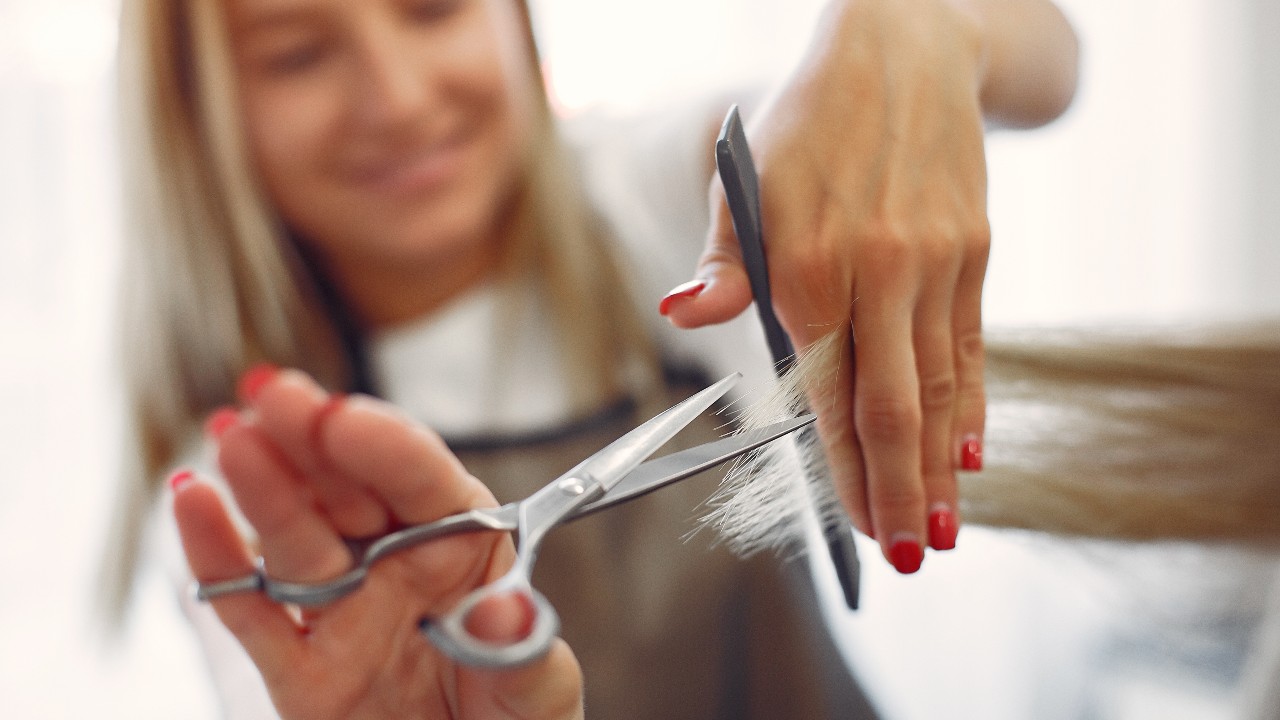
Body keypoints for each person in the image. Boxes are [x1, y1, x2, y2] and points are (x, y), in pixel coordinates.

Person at [101, 0, 1081, 716]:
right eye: (297, 54)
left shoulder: (658, 207)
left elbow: (1050, 61)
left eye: (434, 9)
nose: (395, 99)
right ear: (200, 108)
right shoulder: (247, 497)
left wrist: (912, 32)